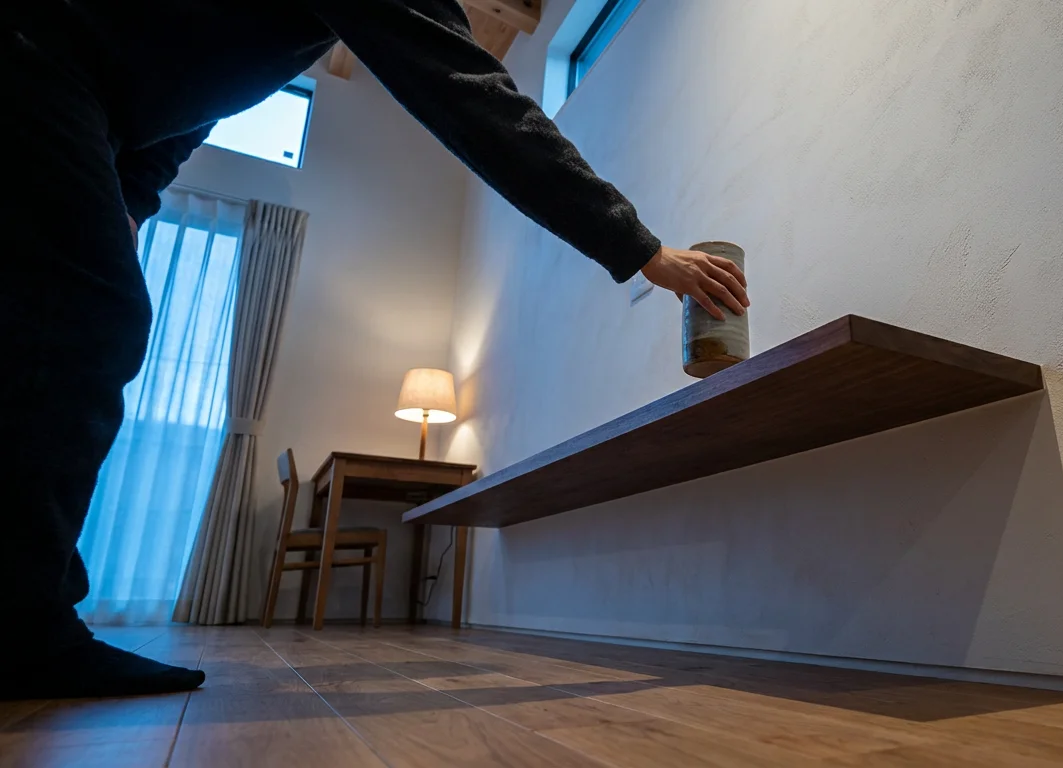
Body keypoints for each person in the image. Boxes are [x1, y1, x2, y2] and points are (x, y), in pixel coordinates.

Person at [0, 0, 749, 700]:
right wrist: (643, 250)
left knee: (71, 326)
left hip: (83, 100)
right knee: (86, 323)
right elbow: (472, 97)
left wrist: (128, 201)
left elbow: (170, 105)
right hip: (36, 56)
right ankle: (23, 633)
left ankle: (24, 621)